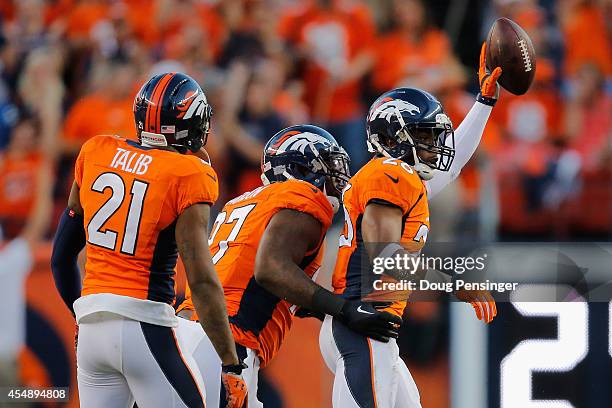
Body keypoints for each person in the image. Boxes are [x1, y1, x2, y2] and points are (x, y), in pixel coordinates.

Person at [319, 43, 501, 408]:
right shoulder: (390, 173)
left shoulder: (402, 177)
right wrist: (455, 283)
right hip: (364, 325)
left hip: (371, 325)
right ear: (392, 141)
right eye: (425, 136)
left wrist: (484, 102)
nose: (436, 146)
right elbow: (384, 256)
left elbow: (454, 167)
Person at [50, 72, 247, 408]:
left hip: (93, 331)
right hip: (146, 325)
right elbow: (200, 280)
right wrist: (230, 363)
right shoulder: (188, 173)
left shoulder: (97, 150)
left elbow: (60, 258)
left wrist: (82, 315)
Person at [176, 124, 402, 407]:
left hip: (189, 333)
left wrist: (323, 308)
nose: (339, 178)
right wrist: (343, 309)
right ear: (302, 169)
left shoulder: (243, 202)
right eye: (330, 166)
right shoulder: (302, 197)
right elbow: (271, 269)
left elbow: (255, 275)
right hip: (225, 344)